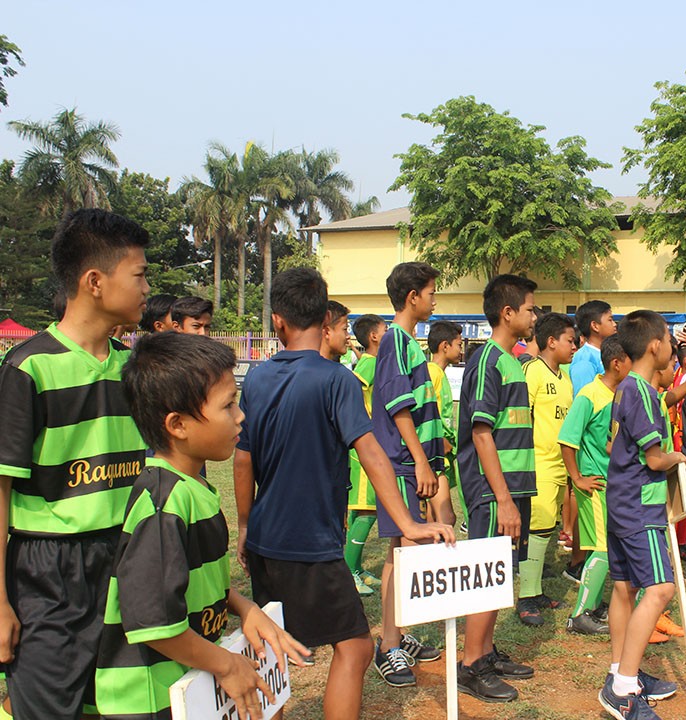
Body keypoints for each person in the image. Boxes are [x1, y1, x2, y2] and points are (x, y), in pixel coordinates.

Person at [234, 268, 453, 720]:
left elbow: (242, 460)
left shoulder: (255, 379)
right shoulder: (337, 380)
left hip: (264, 537)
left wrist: (242, 524)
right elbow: (371, 454)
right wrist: (409, 522)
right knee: (353, 645)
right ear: (323, 314)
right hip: (311, 542)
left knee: (270, 645)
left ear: (278, 321)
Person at [95, 332, 310, 720]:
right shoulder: (164, 505)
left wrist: (244, 608)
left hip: (187, 687)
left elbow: (191, 584)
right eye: (228, 405)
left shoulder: (195, 489)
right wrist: (227, 665)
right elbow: (155, 623)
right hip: (150, 699)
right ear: (178, 424)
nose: (240, 415)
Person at [0, 210, 150, 720]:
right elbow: (0, 493)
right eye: (139, 274)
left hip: (123, 558)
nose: (147, 287)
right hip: (50, 569)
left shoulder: (133, 370)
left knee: (113, 703)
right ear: (94, 281)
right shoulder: (30, 368)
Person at [456, 274, 539, 703]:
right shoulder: (487, 360)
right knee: (485, 574)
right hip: (493, 492)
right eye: (529, 308)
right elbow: (482, 433)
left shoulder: (511, 360)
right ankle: (470, 665)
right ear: (507, 313)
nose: (534, 315)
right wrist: (503, 498)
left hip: (512, 487)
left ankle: (485, 652)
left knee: (500, 574)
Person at [599, 311, 684, 719]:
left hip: (621, 501)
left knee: (624, 587)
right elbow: (653, 459)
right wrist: (677, 456)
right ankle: (623, 687)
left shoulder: (626, 388)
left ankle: (621, 669)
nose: (672, 346)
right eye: (669, 338)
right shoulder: (643, 394)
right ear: (655, 345)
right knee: (661, 589)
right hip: (639, 506)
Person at [370, 262, 445, 687]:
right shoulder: (396, 341)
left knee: (402, 554)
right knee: (401, 554)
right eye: (432, 292)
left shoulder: (406, 342)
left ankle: (396, 634)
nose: (435, 300)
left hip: (408, 461)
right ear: (413, 296)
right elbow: (399, 406)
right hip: (399, 463)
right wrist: (418, 460)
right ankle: (388, 647)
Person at [559, 335, 630, 636]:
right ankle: (579, 615)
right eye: (632, 360)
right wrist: (577, 478)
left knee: (604, 546)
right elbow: (567, 439)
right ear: (617, 363)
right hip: (594, 484)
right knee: (601, 546)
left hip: (611, 484)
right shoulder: (590, 395)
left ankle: (595, 603)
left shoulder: (620, 395)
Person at [518, 312, 576, 625]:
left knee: (546, 529)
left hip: (558, 464)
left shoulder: (565, 376)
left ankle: (536, 588)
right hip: (537, 462)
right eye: (569, 340)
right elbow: (521, 416)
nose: (573, 347)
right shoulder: (532, 372)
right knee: (536, 529)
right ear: (551, 341)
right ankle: (525, 598)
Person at [344, 313, 388, 596]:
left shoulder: (374, 361)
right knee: (366, 512)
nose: (389, 334)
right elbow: (354, 388)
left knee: (368, 511)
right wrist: (364, 421)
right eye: (385, 330)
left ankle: (356, 569)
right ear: (373, 336)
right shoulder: (370, 363)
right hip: (363, 450)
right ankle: (348, 572)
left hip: (372, 446)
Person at [427, 320, 464, 527]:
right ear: (445, 346)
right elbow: (423, 412)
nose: (461, 350)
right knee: (446, 518)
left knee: (433, 518)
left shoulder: (440, 373)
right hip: (435, 454)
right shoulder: (432, 372)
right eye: (459, 344)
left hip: (443, 454)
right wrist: (440, 440)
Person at [569, 300, 617, 395]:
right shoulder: (585, 359)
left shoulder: (607, 353)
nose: (615, 324)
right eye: (610, 320)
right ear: (595, 326)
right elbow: (583, 400)